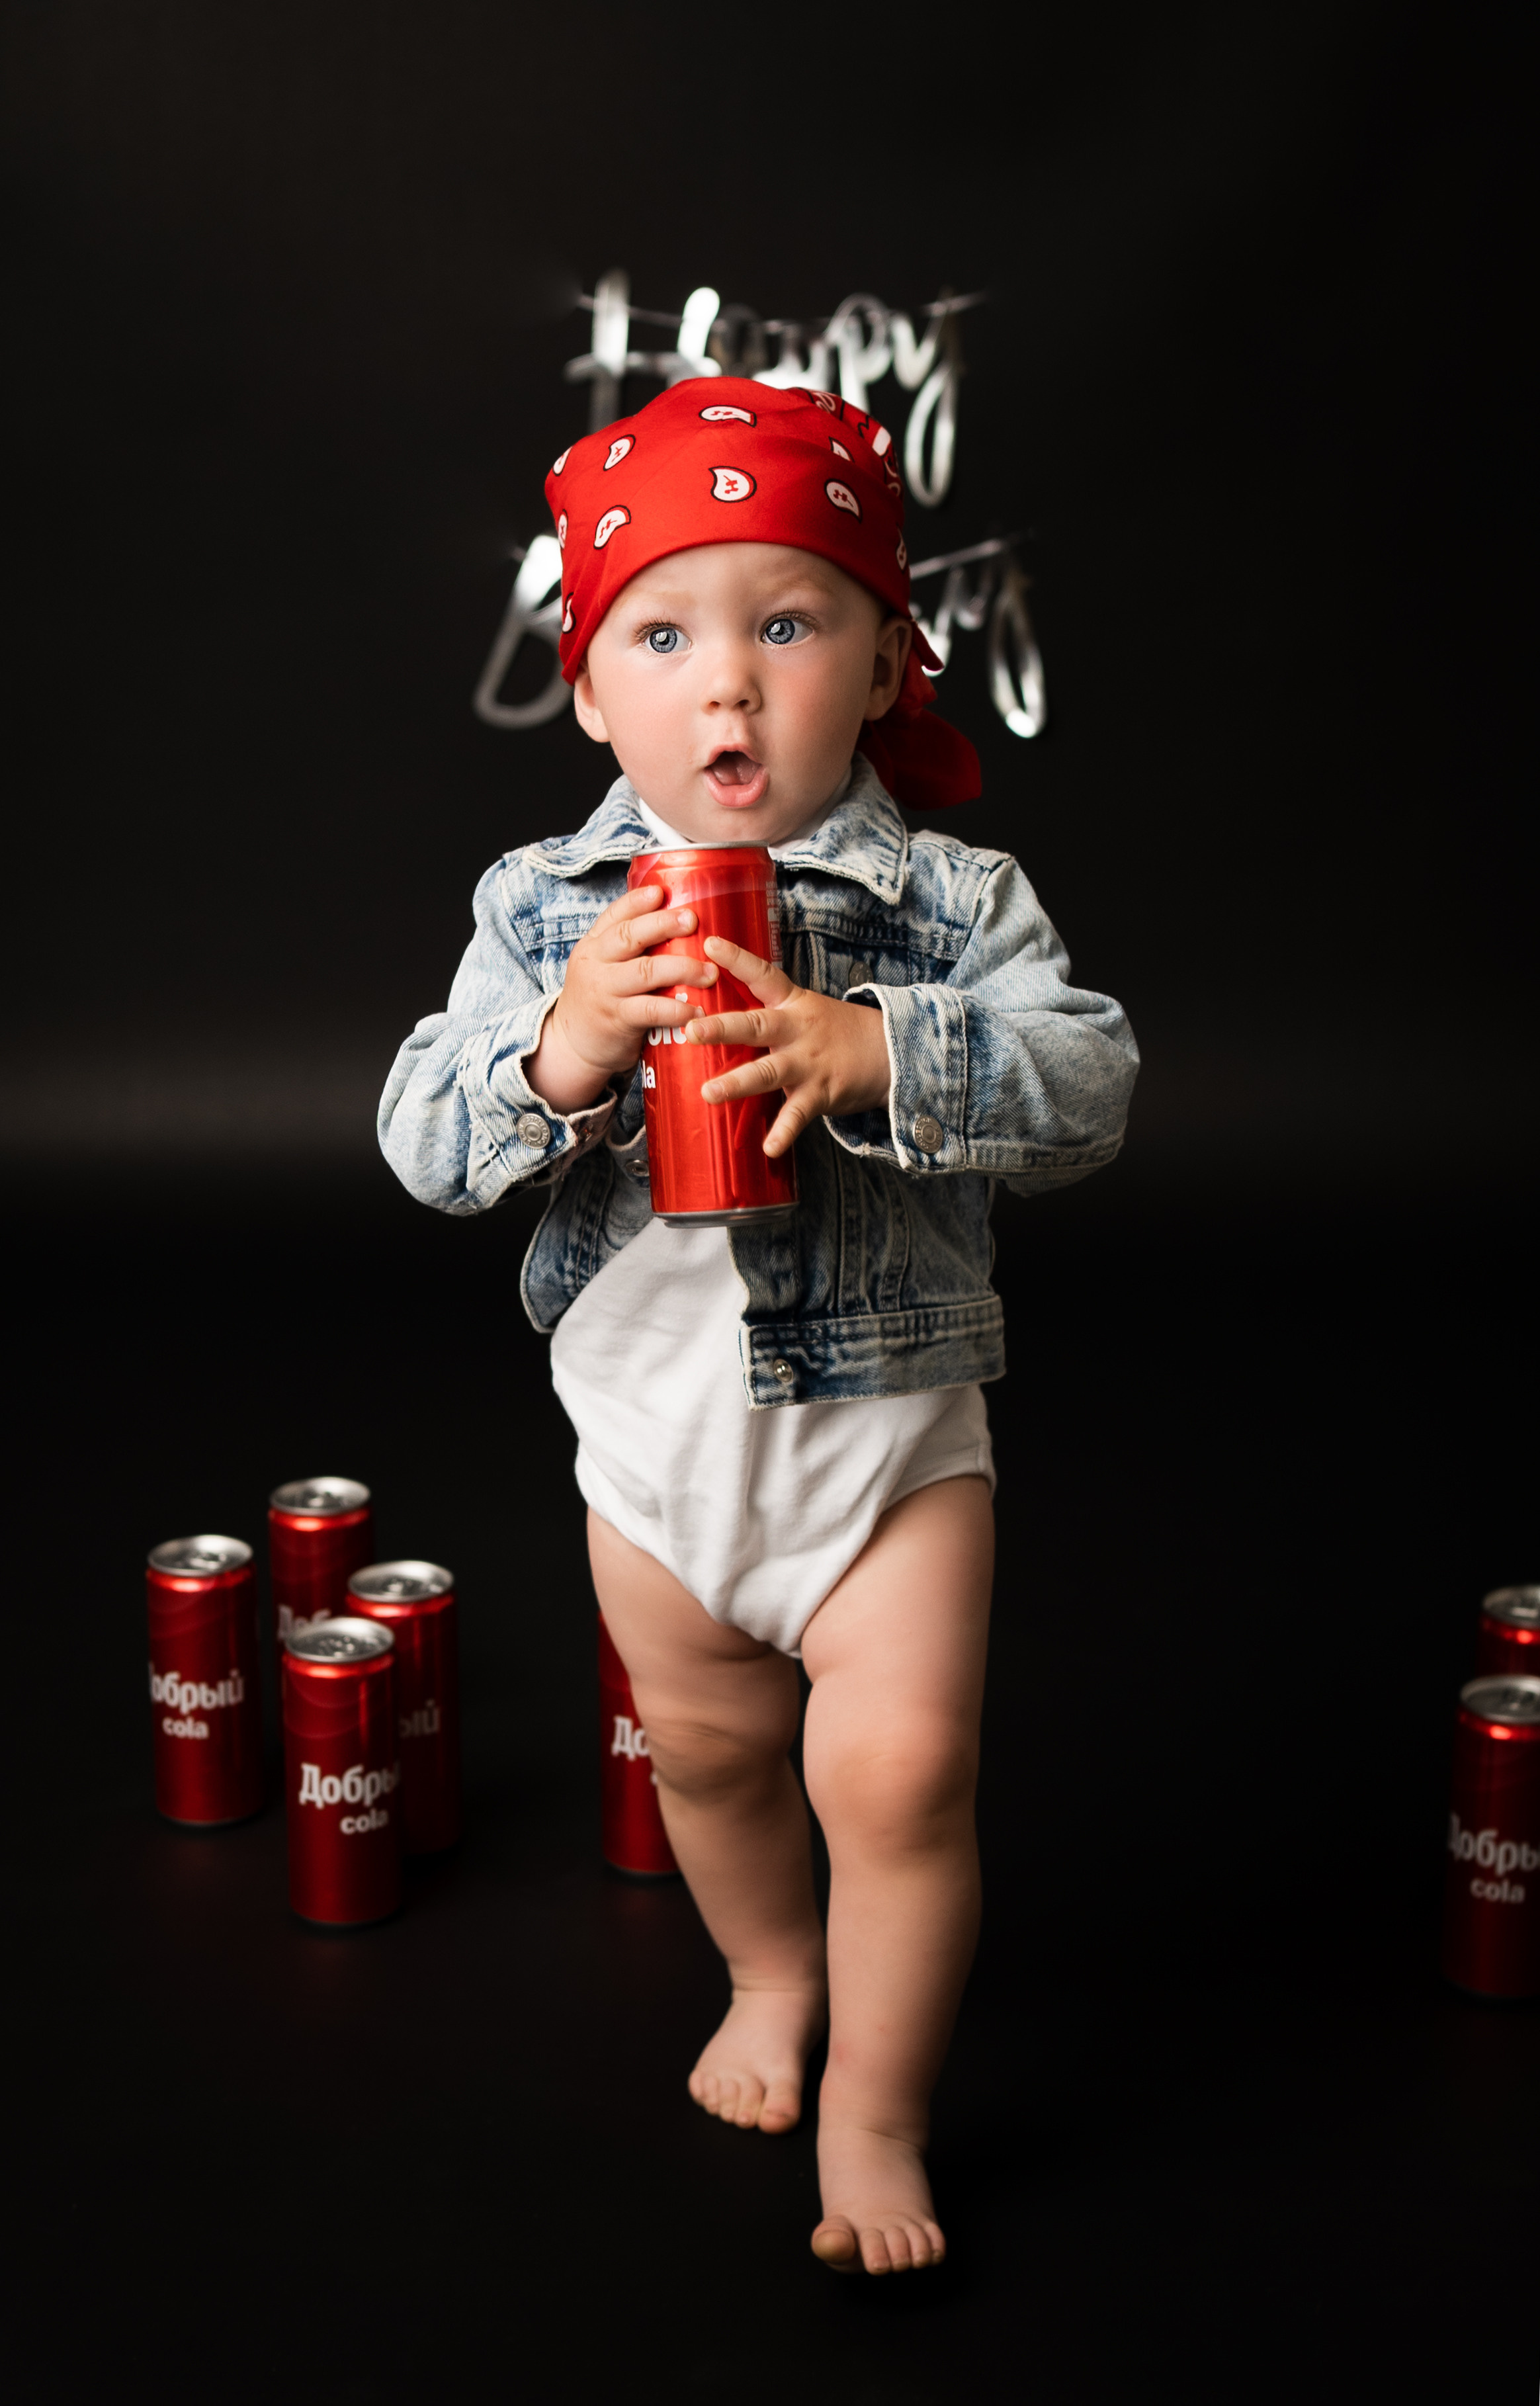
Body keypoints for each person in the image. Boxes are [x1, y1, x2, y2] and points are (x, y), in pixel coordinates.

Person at [380, 378, 1137, 2274]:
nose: (728, 688)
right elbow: (419, 1136)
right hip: (657, 1462)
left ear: (886, 658)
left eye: (787, 625)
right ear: (588, 689)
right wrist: (563, 1055)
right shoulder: (547, 914)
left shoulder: (951, 901)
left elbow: (1094, 1081)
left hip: (887, 1454)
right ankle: (772, 1975)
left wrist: (879, 1046)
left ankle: (880, 2112)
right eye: (667, 634)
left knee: (897, 1776)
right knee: (710, 1758)